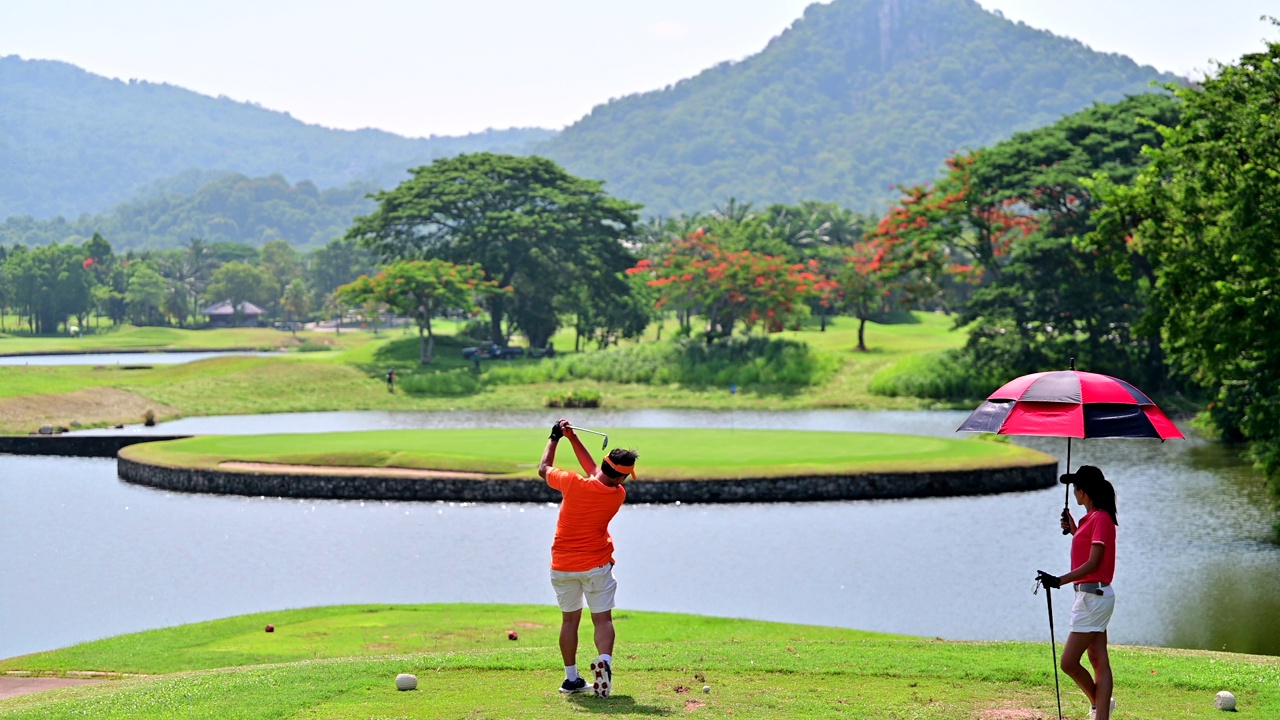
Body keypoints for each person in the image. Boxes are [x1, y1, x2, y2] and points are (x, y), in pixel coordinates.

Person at [537, 418, 637, 698]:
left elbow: (543, 468)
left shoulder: (573, 484)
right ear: (622, 477)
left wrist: (556, 437)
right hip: (596, 566)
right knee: (602, 620)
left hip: (562, 566)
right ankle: (604, 663)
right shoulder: (617, 494)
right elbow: (597, 472)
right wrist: (571, 437)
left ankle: (571, 679)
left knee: (569, 621)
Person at [1038, 465, 1118, 720]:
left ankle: (1101, 709)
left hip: (1093, 597)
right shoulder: (1093, 518)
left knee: (1069, 662)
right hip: (1092, 596)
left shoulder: (1102, 518)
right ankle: (1101, 709)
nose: (1073, 493)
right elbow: (1088, 549)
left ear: (1083, 492)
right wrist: (1074, 529)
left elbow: (1094, 563)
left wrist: (1059, 580)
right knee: (1097, 656)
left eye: (1075, 489)